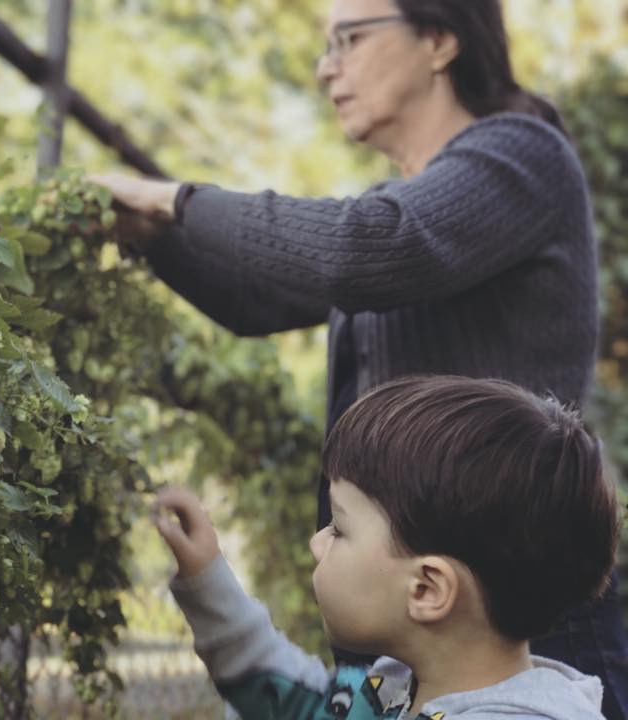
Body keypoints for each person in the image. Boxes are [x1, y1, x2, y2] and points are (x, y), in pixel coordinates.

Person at [91, 0, 628, 714]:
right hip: (408, 610)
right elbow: (258, 299)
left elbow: (366, 248)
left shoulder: (522, 154)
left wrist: (174, 199)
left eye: (348, 38)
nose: (325, 68)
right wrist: (147, 233)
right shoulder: (402, 207)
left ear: (440, 39)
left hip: (512, 617)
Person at [152, 376, 619, 720]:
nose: (317, 544)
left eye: (338, 527)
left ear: (426, 589)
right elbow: (293, 702)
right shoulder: (393, 688)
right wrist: (208, 579)